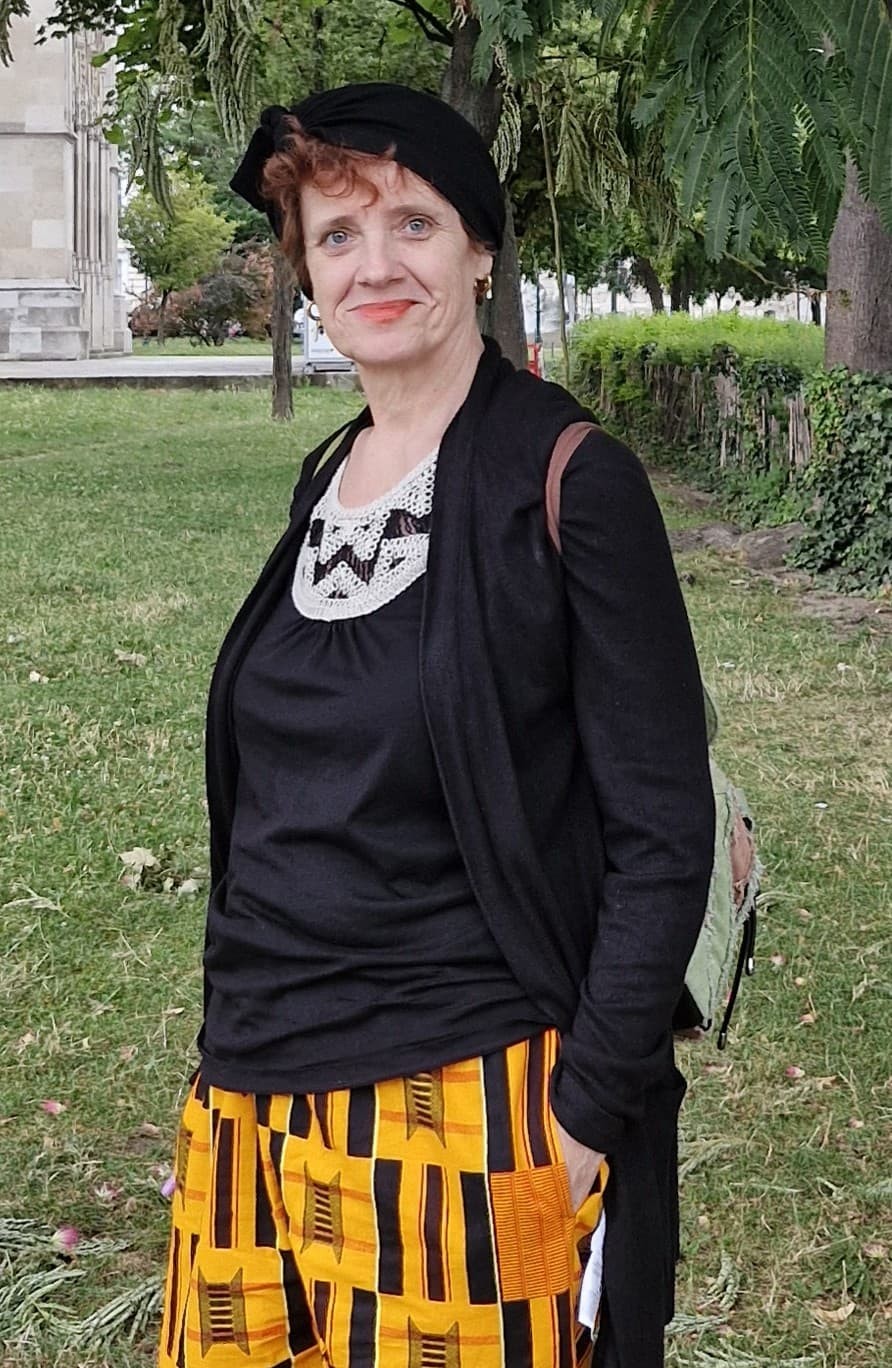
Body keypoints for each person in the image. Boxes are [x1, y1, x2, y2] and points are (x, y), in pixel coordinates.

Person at [158, 83, 715, 1368]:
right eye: (335, 235)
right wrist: (220, 1076)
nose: (374, 265)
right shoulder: (328, 476)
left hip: (462, 1106)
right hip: (251, 1103)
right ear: (306, 275)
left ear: (478, 251)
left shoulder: (573, 481)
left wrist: (578, 1122)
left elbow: (661, 834)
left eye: (412, 223)